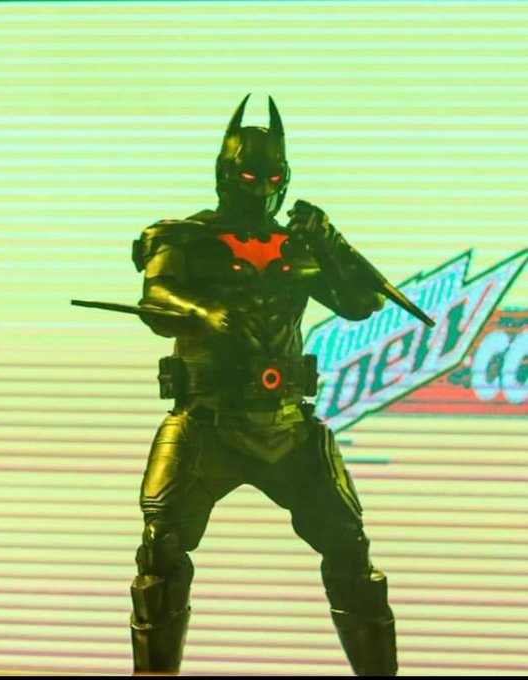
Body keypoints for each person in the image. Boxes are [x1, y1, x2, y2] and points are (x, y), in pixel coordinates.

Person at [127, 94, 398, 676]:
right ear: (227, 175)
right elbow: (156, 301)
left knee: (349, 547)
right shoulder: (184, 238)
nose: (263, 189)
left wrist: (329, 243)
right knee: (160, 553)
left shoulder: (299, 245)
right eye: (251, 176)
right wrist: (204, 313)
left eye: (274, 178)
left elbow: (360, 304)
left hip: (288, 425)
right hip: (205, 424)